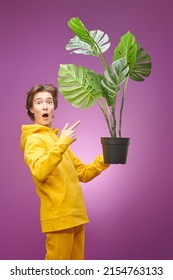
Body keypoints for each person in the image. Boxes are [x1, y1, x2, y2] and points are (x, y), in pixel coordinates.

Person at [20, 84, 109, 260]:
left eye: (49, 101)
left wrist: (107, 157)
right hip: (59, 218)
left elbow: (82, 173)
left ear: (54, 108)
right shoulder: (34, 139)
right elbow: (39, 170)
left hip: (76, 215)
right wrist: (62, 143)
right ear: (31, 109)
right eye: (39, 102)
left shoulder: (57, 138)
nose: (45, 106)